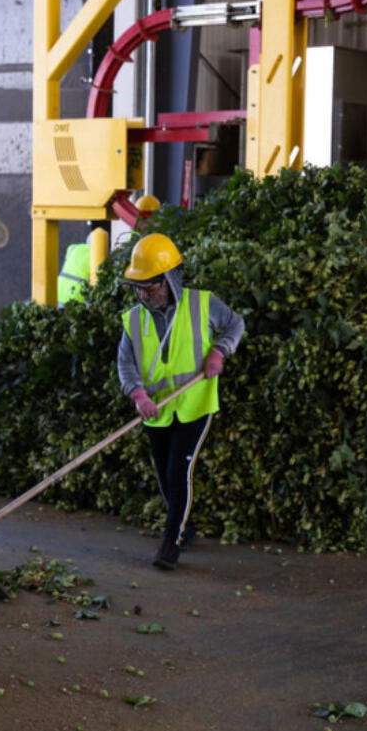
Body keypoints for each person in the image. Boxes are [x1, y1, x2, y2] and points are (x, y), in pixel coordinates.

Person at [116, 233, 245, 571]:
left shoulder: (203, 304)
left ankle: (170, 544)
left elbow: (235, 324)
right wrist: (137, 393)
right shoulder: (133, 319)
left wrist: (220, 350)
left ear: (170, 279)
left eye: (151, 286)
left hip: (194, 405)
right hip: (155, 410)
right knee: (163, 474)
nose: (144, 294)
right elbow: (125, 362)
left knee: (178, 471)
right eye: (139, 286)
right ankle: (184, 528)